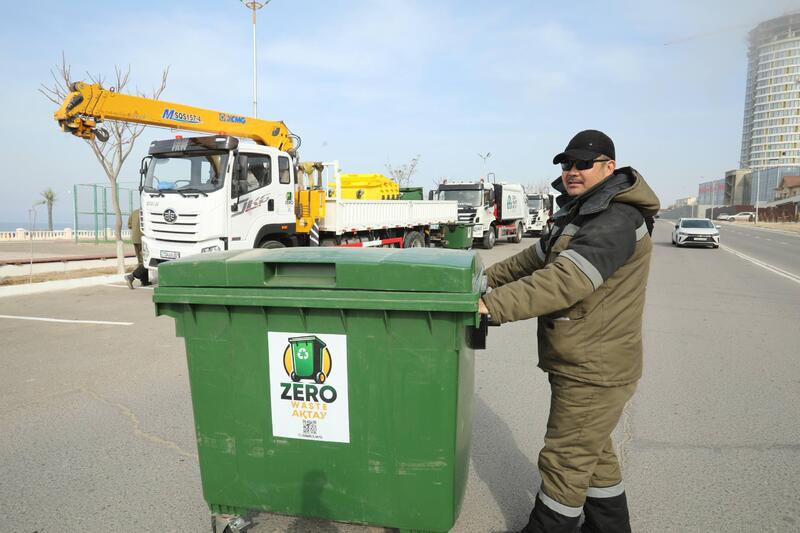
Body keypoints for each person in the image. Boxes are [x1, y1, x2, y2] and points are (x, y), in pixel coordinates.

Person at [478, 130, 660, 533]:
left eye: (583, 164)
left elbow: (565, 280)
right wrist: (480, 280)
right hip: (583, 359)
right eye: (567, 164)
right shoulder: (582, 213)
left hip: (595, 366)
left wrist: (491, 306)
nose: (572, 171)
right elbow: (531, 260)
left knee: (565, 461)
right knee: (593, 457)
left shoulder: (616, 218)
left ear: (609, 167)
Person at [125, 208, 150, 289]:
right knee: (147, 261)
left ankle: (144, 281)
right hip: (144, 238)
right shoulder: (148, 212)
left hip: (135, 239)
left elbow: (129, 225)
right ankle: (132, 276)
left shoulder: (134, 212)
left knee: (141, 261)